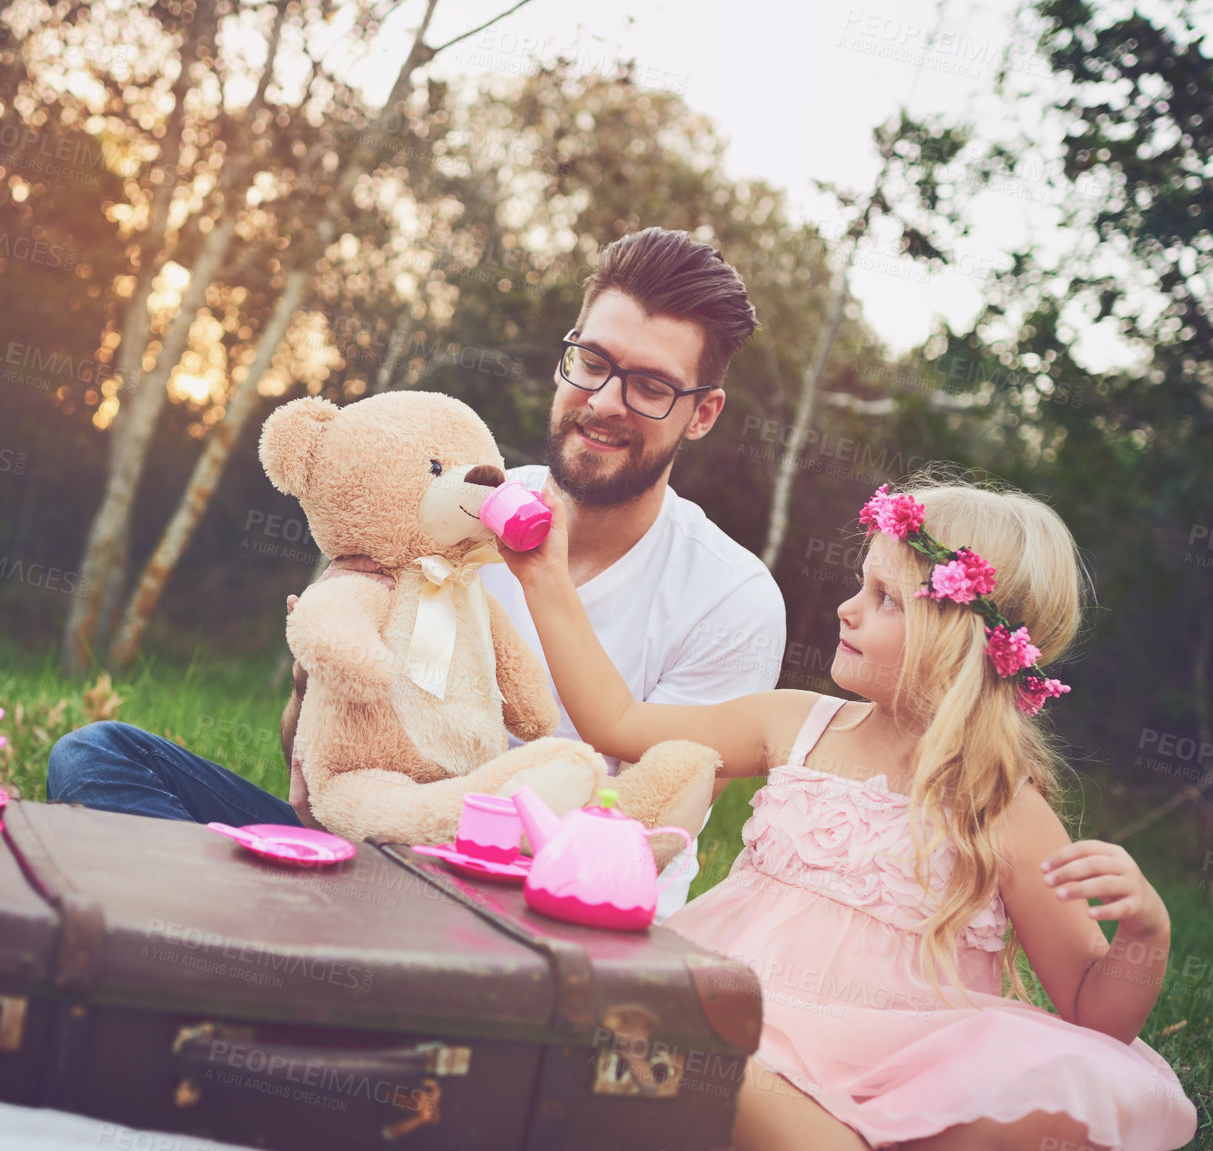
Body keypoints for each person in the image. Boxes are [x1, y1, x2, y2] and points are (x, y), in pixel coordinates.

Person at [47, 228, 787, 919]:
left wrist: (545, 583)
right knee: (97, 755)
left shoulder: (731, 598)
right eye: (590, 362)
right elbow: (332, 757)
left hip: (533, 914)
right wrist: (312, 706)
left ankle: (239, 946)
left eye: (650, 387)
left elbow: (655, 822)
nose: (602, 402)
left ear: (702, 414)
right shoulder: (454, 506)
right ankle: (231, 954)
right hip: (375, 850)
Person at [495, 472, 1197, 1150]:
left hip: (889, 1078)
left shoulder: (999, 808)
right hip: (740, 1016)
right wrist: (544, 580)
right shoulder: (796, 724)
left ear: (959, 641)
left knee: (1042, 1103)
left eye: (886, 599)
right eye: (861, 584)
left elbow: (1087, 1007)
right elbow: (615, 720)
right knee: (675, 1053)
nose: (847, 608)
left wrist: (1146, 932)